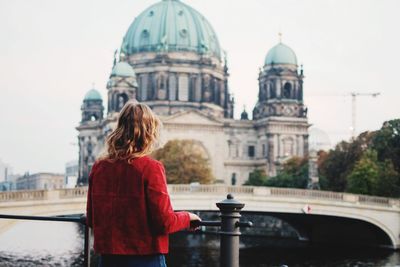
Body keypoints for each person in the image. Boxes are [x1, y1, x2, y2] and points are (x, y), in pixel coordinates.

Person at [86, 100, 201, 267]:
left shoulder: (99, 168)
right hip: (145, 258)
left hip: (109, 259)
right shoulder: (151, 168)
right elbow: (164, 222)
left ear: (119, 129)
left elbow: (91, 219)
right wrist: (188, 217)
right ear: (149, 133)